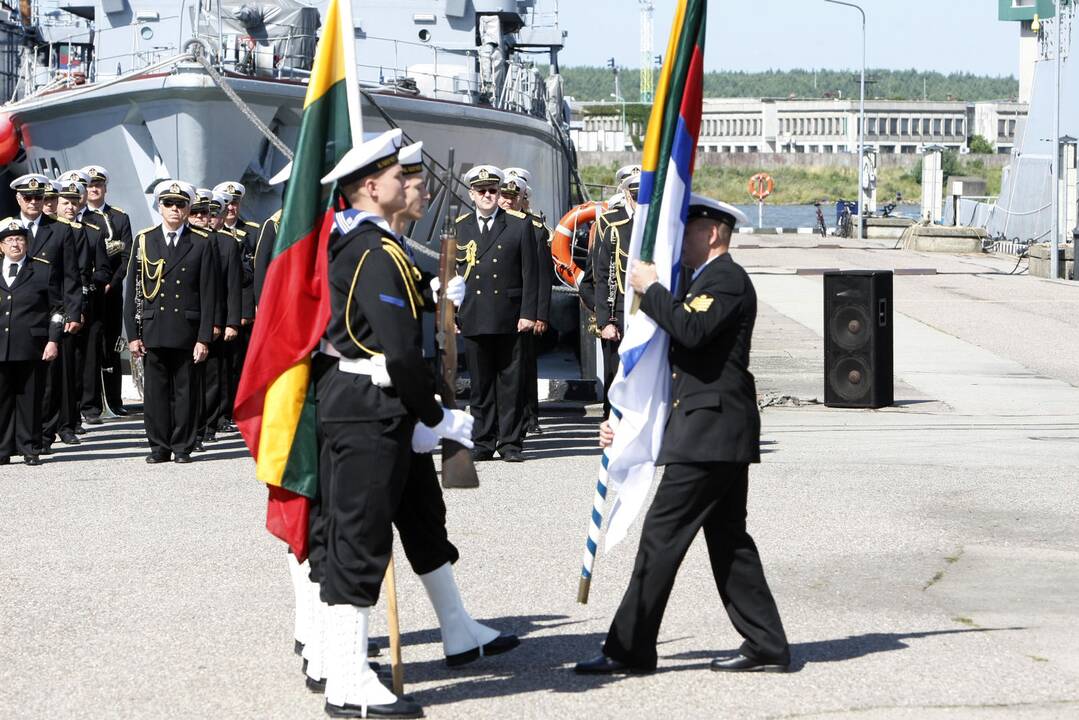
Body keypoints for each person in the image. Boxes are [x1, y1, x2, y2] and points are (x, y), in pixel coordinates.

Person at [310, 129, 509, 718]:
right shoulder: (373, 251)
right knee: (360, 538)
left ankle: (458, 629)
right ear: (371, 187)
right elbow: (398, 352)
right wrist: (438, 415)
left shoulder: (379, 247)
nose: (411, 184)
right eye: (401, 177)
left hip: (380, 406)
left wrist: (425, 291)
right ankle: (346, 677)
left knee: (420, 515)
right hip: (370, 406)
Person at [575, 194, 790, 676]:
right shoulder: (699, 280)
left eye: (689, 229)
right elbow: (671, 366)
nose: (682, 238)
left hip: (712, 433)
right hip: (711, 432)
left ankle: (629, 649)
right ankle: (767, 644)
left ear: (713, 233)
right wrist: (627, 423)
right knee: (729, 541)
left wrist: (651, 289)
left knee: (661, 537)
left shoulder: (727, 279)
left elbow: (691, 330)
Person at [124, 181, 217, 463]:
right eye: (169, 204)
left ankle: (182, 447)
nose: (174, 209)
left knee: (186, 391)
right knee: (155, 394)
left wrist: (204, 338)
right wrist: (132, 334)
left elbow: (209, 293)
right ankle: (159, 447)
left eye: (180, 205)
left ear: (188, 208)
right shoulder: (145, 240)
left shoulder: (202, 242)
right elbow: (134, 291)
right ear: (160, 207)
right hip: (154, 327)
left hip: (186, 329)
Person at [454, 165, 537, 462]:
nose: (488, 196)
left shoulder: (518, 225)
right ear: (471, 194)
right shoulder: (460, 226)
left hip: (510, 315)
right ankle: (483, 441)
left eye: (493, 190)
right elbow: (451, 275)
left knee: (510, 384)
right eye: (482, 191)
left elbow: (531, 274)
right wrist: (450, 314)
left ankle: (511, 443)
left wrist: (529, 313)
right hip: (474, 315)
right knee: (481, 385)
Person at [10, 174, 82, 455]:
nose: (33, 202)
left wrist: (73, 312)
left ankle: (43, 436)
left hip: (50, 312)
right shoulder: (6, 229)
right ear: (18, 199)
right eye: (27, 197)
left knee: (49, 378)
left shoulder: (60, 231)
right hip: (15, 315)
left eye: (38, 197)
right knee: (13, 379)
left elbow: (70, 277)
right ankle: (15, 435)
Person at [0, 218, 60, 466]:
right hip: (1, 346)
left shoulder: (43, 270)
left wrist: (53, 340)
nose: (16, 244)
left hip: (31, 345)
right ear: (1, 245)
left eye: (20, 239)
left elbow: (58, 309)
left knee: (30, 399)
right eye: (10, 240)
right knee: (1, 400)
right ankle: (3, 448)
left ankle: (30, 447)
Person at [502, 167, 552, 436]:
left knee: (525, 365)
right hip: (500, 308)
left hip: (526, 307)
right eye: (504, 194)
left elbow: (542, 276)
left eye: (513, 195)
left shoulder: (534, 229)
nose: (507, 200)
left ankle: (529, 414)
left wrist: (541, 314)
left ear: (523, 198)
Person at [190, 189, 241, 446]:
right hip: (189, 320)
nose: (204, 218)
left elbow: (233, 287)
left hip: (216, 320)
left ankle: (209, 425)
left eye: (209, 213)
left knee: (212, 377)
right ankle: (191, 425)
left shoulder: (227, 243)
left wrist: (231, 322)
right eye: (198, 213)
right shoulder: (189, 241)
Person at [58, 170, 109, 426]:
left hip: (88, 300)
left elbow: (103, 269)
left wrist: (91, 283)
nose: (70, 205)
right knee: (66, 358)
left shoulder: (93, 231)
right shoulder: (52, 230)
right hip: (59, 301)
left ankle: (88, 406)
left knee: (88, 356)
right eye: (65, 200)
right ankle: (66, 411)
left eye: (75, 200)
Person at [83, 165, 133, 418]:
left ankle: (114, 400)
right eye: (90, 185)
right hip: (88, 292)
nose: (94, 188)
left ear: (105, 188)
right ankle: (91, 403)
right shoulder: (80, 218)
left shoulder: (119, 217)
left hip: (111, 291)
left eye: (98, 184)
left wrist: (113, 282)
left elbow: (126, 255)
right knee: (90, 346)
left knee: (112, 345)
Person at [593, 165, 640, 417]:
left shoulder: (658, 225)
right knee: (615, 374)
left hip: (650, 310)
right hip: (620, 309)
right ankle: (614, 423)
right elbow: (600, 275)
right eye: (635, 194)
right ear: (626, 194)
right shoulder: (613, 225)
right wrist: (604, 320)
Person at [214, 181, 258, 433]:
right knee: (223, 366)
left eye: (234, 202)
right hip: (220, 309)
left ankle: (240, 410)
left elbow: (253, 276)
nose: (230, 208)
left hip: (244, 311)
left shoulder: (252, 232)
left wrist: (247, 310)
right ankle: (223, 410)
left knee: (242, 364)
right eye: (225, 203)